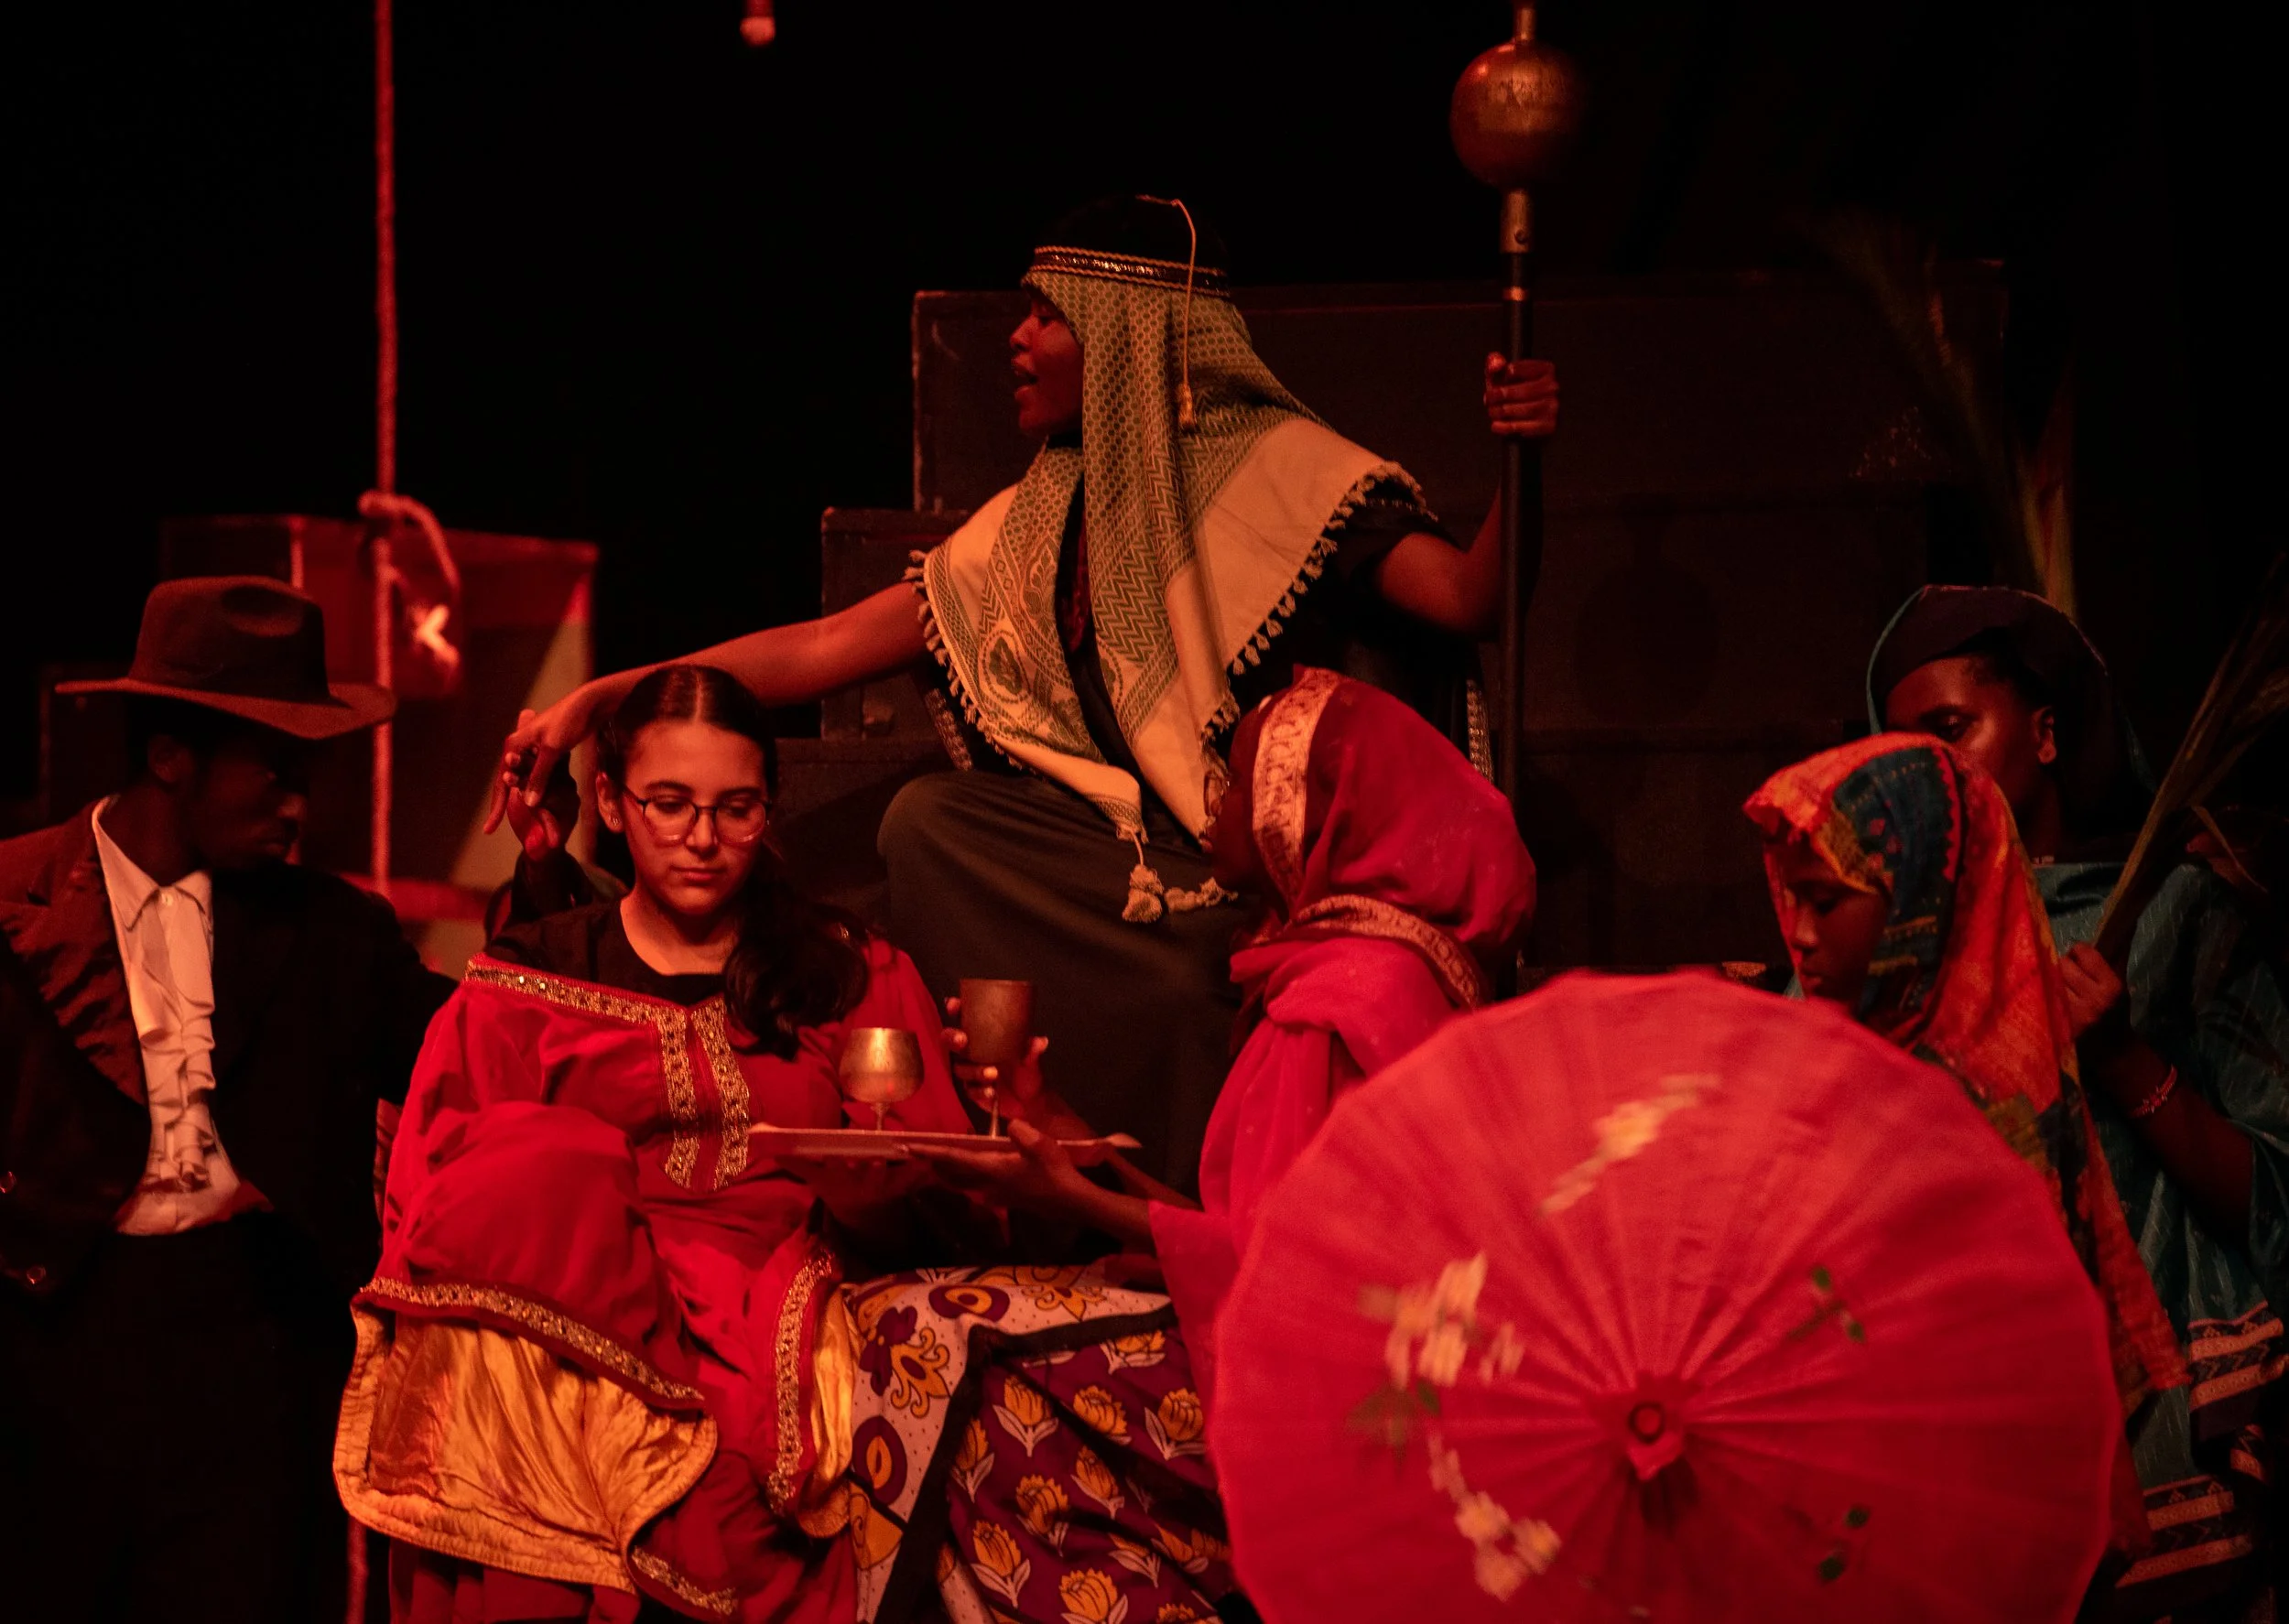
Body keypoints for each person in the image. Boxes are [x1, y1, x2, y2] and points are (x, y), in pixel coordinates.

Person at [489, 194, 1557, 1190]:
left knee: (1186, 965)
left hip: (1266, 877)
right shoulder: (1039, 515)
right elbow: (823, 647)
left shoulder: (1282, 475)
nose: (1017, 337)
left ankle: (1183, 1183)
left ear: (1126, 338)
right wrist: (612, 695)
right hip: (1127, 866)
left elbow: (1470, 597)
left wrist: (1524, 457)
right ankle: (1019, 1154)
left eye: (1047, 315)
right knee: (935, 824)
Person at [833, 670, 1536, 1624]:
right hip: (1298, 1354)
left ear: (1303, 815)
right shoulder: (1389, 969)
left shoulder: (1342, 1001)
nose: (1215, 804)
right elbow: (1253, 1223)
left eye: (1241, 783)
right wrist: (1067, 1132)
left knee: (912, 1338)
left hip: (1322, 1404)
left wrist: (1076, 1201)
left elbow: (1284, 1278)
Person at [334, 665, 974, 1623]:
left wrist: (863, 1193)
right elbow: (442, 1194)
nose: (704, 840)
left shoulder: (844, 970)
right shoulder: (528, 977)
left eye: (738, 808)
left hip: (773, 1307)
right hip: (561, 1322)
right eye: (669, 805)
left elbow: (936, 1166)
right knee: (537, 1169)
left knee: (727, 1460)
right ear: (610, 801)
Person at [0, 576, 453, 1624]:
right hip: (52, 1342)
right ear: (171, 758)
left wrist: (547, 876)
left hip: (252, 1342)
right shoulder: (14, 903)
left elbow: (470, 1052)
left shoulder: (333, 933)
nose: (300, 805)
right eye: (275, 772)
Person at [1871, 585, 2287, 1618]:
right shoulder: (1885, 965)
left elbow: (2276, 1195)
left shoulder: (2167, 913)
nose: (1933, 777)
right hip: (1960, 1431)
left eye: (1951, 732)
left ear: (2045, 732)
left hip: (2155, 1428)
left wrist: (2119, 1056)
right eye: (1901, 760)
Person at [1743, 733, 2188, 1560]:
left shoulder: (1988, 1117)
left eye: (1827, 899)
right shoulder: (1811, 1062)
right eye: (1788, 898)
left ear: (1920, 896)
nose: (1797, 935)